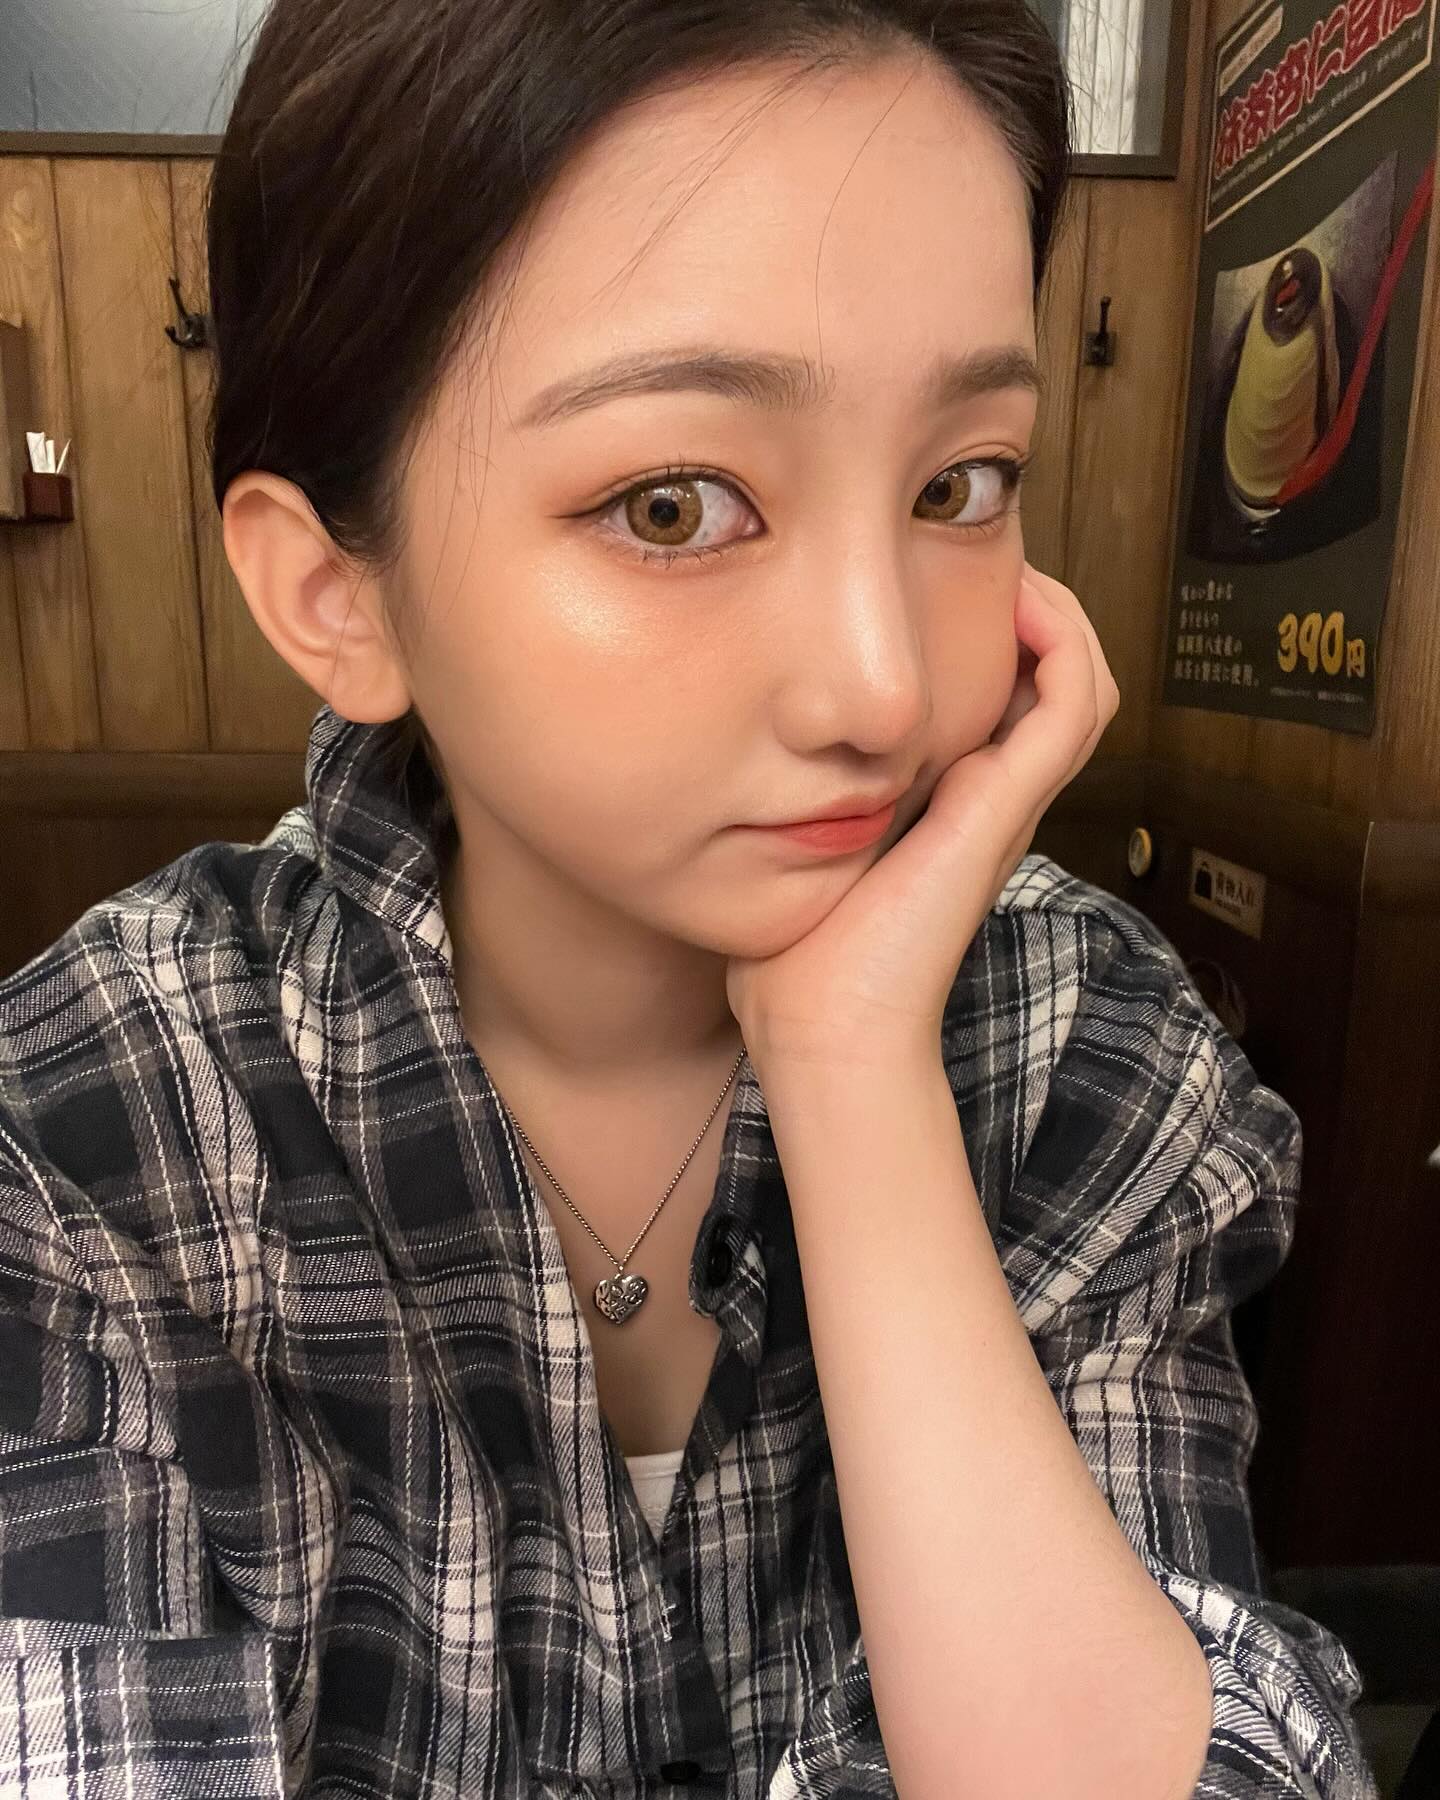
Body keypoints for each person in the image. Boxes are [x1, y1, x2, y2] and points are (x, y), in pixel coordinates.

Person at [0, 2, 1379, 1796]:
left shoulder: (1081, 1051)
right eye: (672, 505)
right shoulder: (88, 1146)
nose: (882, 687)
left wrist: (856, 1073)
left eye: (959, 484)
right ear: (339, 592)